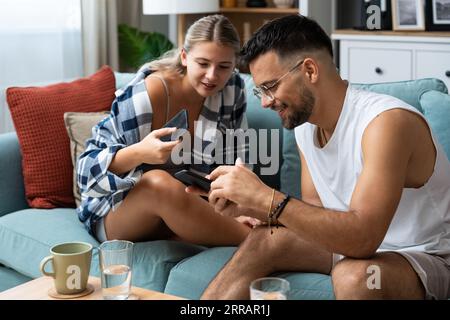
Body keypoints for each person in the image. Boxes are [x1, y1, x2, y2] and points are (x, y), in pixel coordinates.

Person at [192, 15, 450, 300]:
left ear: (310, 70)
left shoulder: (385, 123)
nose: (265, 101)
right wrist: (252, 207)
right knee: (265, 240)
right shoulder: (305, 128)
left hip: (426, 256)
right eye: (260, 91)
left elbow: (363, 239)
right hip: (356, 244)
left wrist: (266, 198)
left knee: (357, 278)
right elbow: (315, 212)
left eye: (270, 87)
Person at [76, 15, 252, 246]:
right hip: (117, 211)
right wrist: (139, 152)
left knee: (256, 209)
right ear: (185, 57)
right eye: (203, 63)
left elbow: (236, 160)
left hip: (188, 207)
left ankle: (269, 239)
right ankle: (270, 245)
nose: (212, 75)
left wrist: (239, 206)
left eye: (223, 66)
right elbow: (85, 175)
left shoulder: (232, 89)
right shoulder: (147, 95)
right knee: (157, 183)